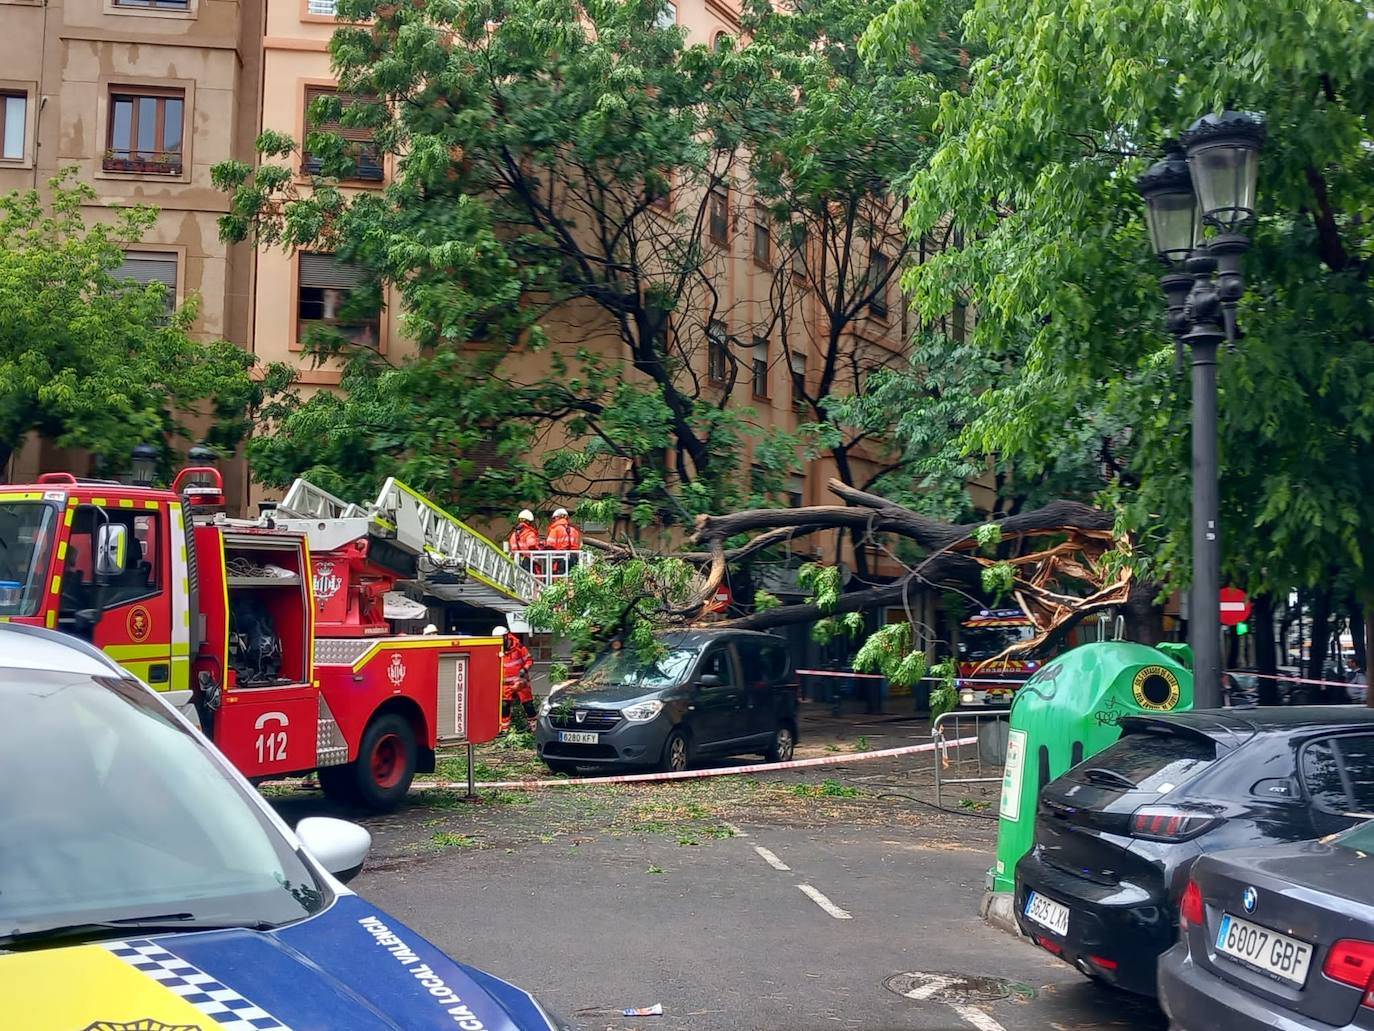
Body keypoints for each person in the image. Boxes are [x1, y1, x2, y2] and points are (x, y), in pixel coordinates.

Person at [495, 624, 537, 723]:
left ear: (506, 636)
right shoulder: (496, 650)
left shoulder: (518, 647)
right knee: (504, 707)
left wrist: (524, 669)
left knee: (528, 705)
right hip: (505, 685)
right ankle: (505, 730)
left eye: (500, 638)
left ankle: (534, 726)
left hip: (521, 682)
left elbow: (529, 660)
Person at [544, 507, 582, 576]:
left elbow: (549, 546)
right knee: (571, 579)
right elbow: (578, 545)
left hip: (561, 558)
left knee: (560, 580)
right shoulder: (574, 531)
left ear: (557, 518)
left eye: (554, 518)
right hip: (574, 558)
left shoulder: (555, 530)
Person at [506, 509, 542, 575]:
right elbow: (531, 545)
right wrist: (539, 547)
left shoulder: (515, 534)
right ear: (529, 522)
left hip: (517, 559)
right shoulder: (529, 533)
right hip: (528, 560)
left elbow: (513, 545)